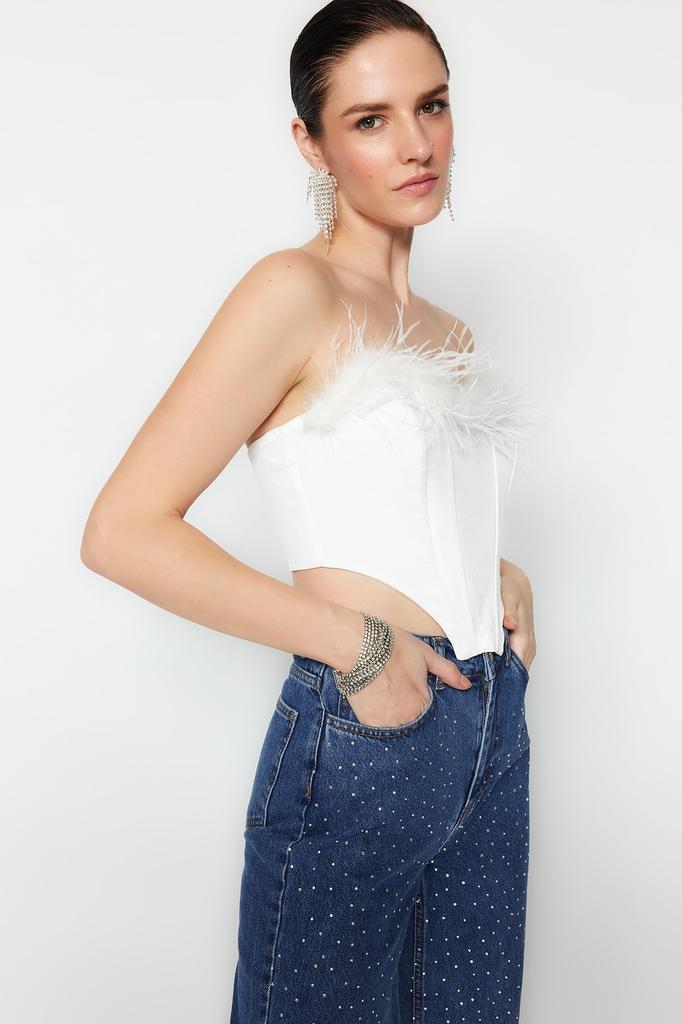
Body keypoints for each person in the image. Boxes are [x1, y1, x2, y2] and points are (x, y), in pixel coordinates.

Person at [81, 1, 538, 1020]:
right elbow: (123, 530)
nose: (416, 143)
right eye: (371, 119)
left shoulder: (450, 332)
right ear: (312, 143)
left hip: (490, 724)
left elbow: (398, 505)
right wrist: (355, 645)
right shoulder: (294, 290)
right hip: (371, 734)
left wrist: (496, 575)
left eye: (431, 106)